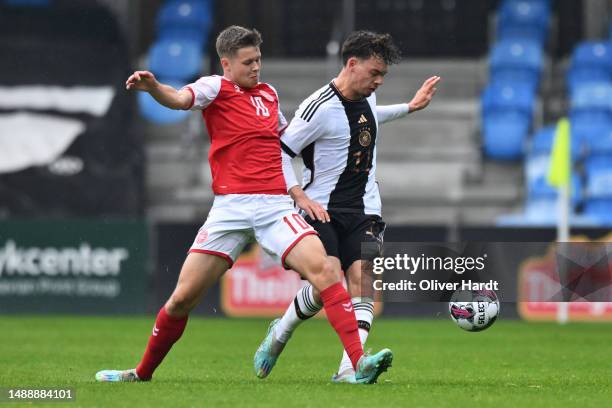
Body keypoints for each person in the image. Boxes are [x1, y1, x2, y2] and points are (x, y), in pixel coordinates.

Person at [95, 25, 392, 384]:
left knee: (327, 273)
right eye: (248, 62)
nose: (256, 68)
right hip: (230, 209)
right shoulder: (214, 87)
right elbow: (178, 99)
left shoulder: (269, 94)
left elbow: (289, 138)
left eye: (259, 60)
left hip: (274, 207)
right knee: (180, 300)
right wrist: (155, 87)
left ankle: (358, 364)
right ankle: (141, 373)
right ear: (227, 63)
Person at [254, 30, 440, 383]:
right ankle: (280, 334)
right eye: (375, 73)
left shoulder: (366, 97)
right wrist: (298, 195)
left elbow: (372, 115)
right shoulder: (317, 108)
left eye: (383, 75)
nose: (379, 81)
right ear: (352, 64)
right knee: (329, 285)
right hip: (321, 209)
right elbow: (280, 150)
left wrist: (410, 107)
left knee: (364, 278)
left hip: (366, 208)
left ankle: (349, 369)